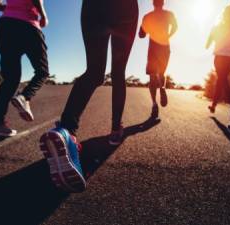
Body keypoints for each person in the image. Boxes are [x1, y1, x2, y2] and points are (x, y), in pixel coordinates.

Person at [39, 0, 139, 192]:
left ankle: (66, 131)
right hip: (125, 7)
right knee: (118, 72)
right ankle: (116, 128)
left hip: (94, 5)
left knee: (94, 71)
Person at [0, 0, 50, 137]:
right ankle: (24, 97)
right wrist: (43, 15)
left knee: (11, 79)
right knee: (42, 71)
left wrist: (10, 7)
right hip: (28, 25)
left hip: (5, 25)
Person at [139, 0, 178, 119]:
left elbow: (141, 35)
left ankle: (154, 104)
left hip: (153, 49)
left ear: (153, 3)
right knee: (161, 73)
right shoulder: (169, 14)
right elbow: (175, 27)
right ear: (163, 3)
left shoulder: (148, 16)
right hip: (165, 47)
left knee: (152, 76)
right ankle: (162, 87)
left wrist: (146, 28)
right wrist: (168, 35)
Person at [206, 5, 230, 121]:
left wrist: (211, 42)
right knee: (222, 79)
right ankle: (214, 105)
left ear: (224, 14)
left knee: (221, 78)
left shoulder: (217, 27)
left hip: (219, 57)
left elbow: (209, 41)